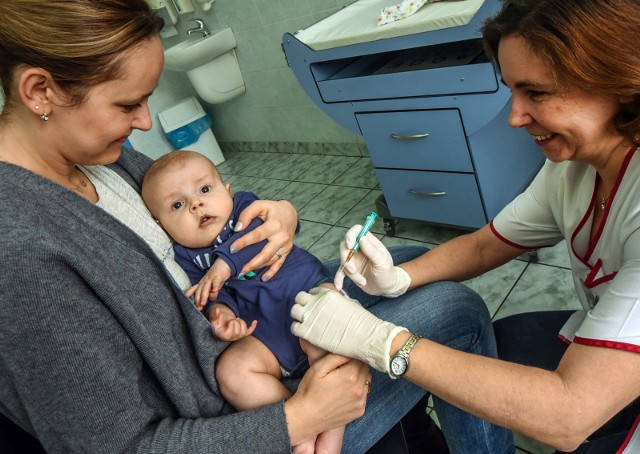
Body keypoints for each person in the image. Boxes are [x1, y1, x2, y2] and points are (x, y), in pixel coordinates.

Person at [0, 1, 513, 452]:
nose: (144, 123)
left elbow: (203, 215)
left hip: (247, 314)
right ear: (40, 91)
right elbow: (117, 443)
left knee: (407, 265)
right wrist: (302, 417)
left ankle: (409, 428)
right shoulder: (24, 254)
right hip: (246, 413)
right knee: (458, 308)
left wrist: (281, 214)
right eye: (128, 104)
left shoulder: (101, 165)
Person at [291, 0, 640, 452]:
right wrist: (397, 279)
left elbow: (569, 413)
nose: (515, 117)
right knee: (500, 343)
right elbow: (486, 245)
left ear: (621, 80)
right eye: (512, 91)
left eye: (536, 93)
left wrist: (379, 340)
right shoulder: (574, 169)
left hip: (585, 403)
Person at [141, 150, 344, 453]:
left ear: (228, 191)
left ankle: (330, 440)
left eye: (204, 189)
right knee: (232, 371)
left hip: (305, 294)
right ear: (161, 226)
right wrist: (221, 313)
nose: (196, 204)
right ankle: (301, 429)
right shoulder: (185, 255)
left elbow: (259, 239)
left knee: (326, 343)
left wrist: (221, 267)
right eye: (178, 204)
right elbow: (215, 293)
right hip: (263, 327)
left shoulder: (245, 210)